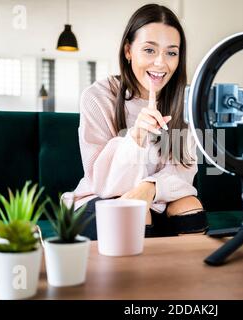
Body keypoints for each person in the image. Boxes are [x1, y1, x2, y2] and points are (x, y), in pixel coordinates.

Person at [62, 4, 207, 239]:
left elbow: (183, 174)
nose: (161, 63)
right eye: (149, 50)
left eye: (171, 52)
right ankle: (136, 276)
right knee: (136, 211)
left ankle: (189, 275)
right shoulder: (97, 97)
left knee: (188, 205)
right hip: (98, 200)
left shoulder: (184, 102)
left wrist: (151, 187)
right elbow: (102, 183)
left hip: (155, 200)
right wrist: (136, 136)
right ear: (128, 51)